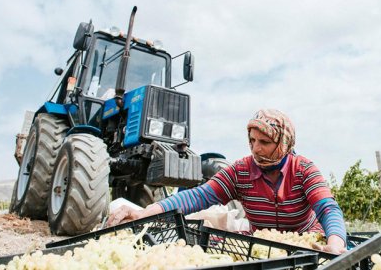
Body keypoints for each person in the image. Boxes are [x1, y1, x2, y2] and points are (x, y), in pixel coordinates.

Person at [107, 109, 347, 254]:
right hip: (262, 247)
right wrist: (146, 213)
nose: (255, 148)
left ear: (283, 143)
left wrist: (335, 243)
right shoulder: (241, 171)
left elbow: (327, 208)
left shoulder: (303, 169)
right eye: (252, 140)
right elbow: (198, 196)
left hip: (306, 244)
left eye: (264, 142)